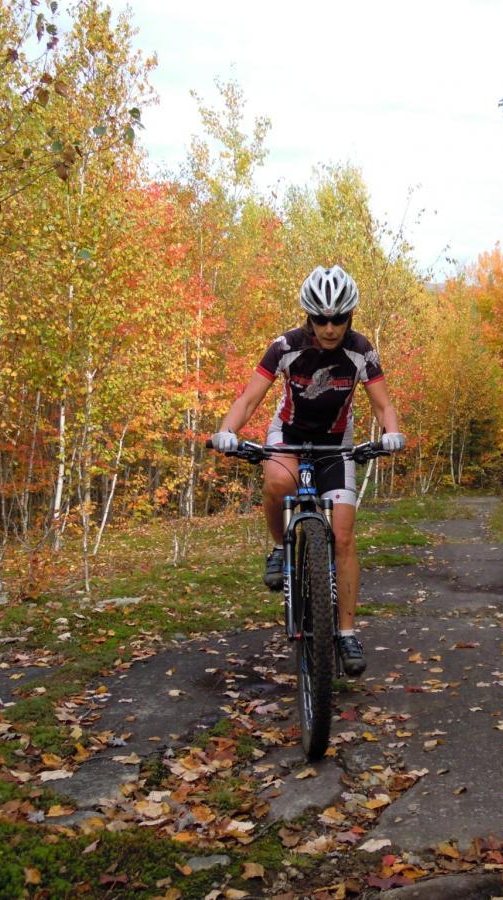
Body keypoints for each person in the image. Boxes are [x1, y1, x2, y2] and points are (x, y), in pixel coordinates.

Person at [210, 265, 405, 676]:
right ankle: (281, 547)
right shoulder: (285, 347)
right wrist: (228, 431)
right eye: (321, 319)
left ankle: (348, 634)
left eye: (339, 318)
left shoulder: (361, 350)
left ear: (350, 316)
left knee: (345, 534)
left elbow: (383, 404)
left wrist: (391, 433)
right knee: (280, 481)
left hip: (336, 442)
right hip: (290, 433)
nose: (330, 328)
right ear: (308, 316)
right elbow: (248, 400)